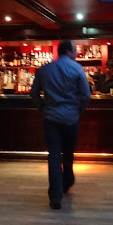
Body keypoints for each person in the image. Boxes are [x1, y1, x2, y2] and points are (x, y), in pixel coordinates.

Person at [29, 40, 92, 210]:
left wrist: (42, 107)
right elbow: (86, 96)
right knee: (68, 153)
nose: (76, 53)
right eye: (75, 50)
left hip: (51, 118)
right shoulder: (77, 68)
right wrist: (77, 110)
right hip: (71, 118)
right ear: (69, 51)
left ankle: (55, 197)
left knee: (54, 157)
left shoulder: (45, 69)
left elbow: (33, 92)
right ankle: (67, 182)